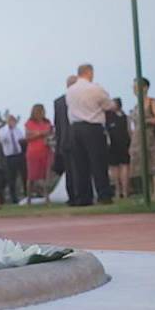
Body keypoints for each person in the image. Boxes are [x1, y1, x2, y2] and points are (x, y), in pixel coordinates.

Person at [66, 64, 115, 205]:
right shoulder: (95, 88)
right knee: (98, 162)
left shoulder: (70, 91)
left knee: (80, 164)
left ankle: (83, 197)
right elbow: (108, 105)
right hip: (92, 126)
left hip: (75, 128)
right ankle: (103, 194)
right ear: (89, 73)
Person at [129, 77, 155, 202]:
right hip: (139, 138)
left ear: (145, 87)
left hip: (151, 137)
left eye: (137, 87)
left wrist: (148, 121)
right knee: (144, 166)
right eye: (133, 87)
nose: (135, 90)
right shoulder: (136, 105)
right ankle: (149, 194)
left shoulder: (152, 102)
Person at [54, 75, 80, 205]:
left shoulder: (59, 102)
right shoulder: (79, 99)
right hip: (75, 139)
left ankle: (73, 196)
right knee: (77, 169)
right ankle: (78, 195)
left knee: (70, 170)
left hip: (65, 140)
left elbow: (58, 125)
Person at [24, 105, 54, 205]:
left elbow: (51, 133)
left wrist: (45, 135)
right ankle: (29, 197)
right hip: (33, 151)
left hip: (46, 150)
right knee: (32, 176)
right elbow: (28, 136)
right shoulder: (30, 123)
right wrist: (40, 134)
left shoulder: (47, 122)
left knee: (46, 175)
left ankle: (47, 197)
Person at [106, 98, 132, 199]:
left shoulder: (122, 117)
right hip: (115, 145)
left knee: (122, 167)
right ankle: (119, 190)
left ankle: (124, 191)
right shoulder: (111, 116)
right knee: (116, 168)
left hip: (121, 144)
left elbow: (129, 130)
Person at [0, 115, 27, 204]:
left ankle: (26, 195)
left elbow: (21, 139)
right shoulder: (2, 131)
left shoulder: (17, 130)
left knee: (24, 175)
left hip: (19, 155)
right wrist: (8, 129)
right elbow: (2, 139)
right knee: (11, 178)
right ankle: (14, 198)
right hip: (9, 156)